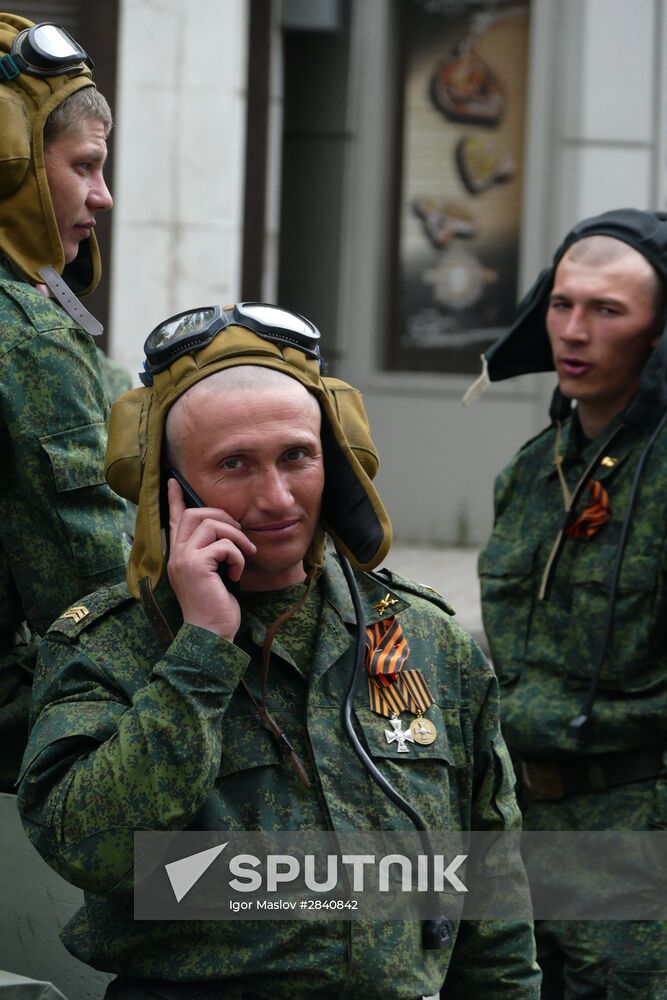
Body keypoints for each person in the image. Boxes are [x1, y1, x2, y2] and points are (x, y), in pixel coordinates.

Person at [18, 303, 541, 999]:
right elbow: (92, 851)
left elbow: (492, 891)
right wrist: (200, 652)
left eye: (297, 456)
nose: (275, 497)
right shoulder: (110, 645)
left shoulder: (424, 638)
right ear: (169, 488)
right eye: (234, 464)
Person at [475, 208, 667, 997]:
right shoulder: (528, 472)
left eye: (606, 310)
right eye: (561, 304)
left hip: (638, 836)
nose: (574, 331)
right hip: (525, 828)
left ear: (656, 332)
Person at [0, 15, 127, 790]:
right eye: (84, 166)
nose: (102, 196)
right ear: (9, 166)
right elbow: (92, 597)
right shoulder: (27, 338)